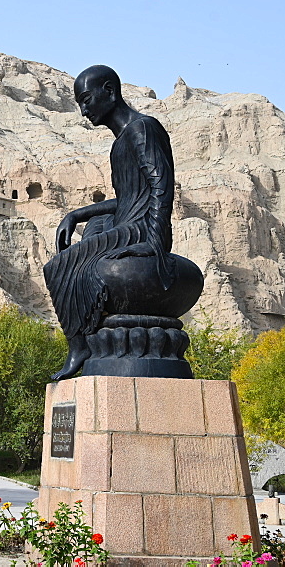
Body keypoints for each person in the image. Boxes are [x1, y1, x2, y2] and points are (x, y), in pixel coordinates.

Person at [44, 65, 178, 380]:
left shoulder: (143, 128)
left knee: (60, 265)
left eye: (87, 99)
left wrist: (154, 241)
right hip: (127, 219)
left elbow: (161, 186)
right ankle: (86, 340)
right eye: (79, 103)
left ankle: (79, 347)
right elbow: (127, 196)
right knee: (93, 228)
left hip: (142, 227)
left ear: (110, 90)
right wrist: (77, 214)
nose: (84, 110)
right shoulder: (121, 141)